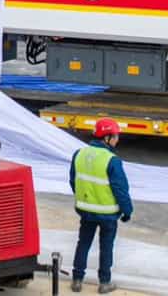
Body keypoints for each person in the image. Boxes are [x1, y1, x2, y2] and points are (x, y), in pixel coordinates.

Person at [69, 117, 132, 294]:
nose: (117, 139)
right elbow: (121, 190)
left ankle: (77, 280)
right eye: (116, 136)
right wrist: (127, 211)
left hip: (86, 211)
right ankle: (104, 283)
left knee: (83, 243)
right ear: (107, 138)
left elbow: (74, 181)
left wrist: (85, 199)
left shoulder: (79, 154)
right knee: (106, 247)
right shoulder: (112, 160)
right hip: (107, 214)